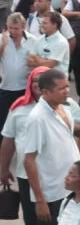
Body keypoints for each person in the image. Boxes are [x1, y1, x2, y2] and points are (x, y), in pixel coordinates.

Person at [23, 69, 80, 225]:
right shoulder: (37, 118)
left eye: (67, 86)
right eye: (61, 88)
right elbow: (29, 160)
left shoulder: (65, 107)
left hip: (71, 189)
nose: (67, 91)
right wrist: (40, 200)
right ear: (46, 92)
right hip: (52, 195)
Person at [0, 67, 48, 224]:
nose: (38, 84)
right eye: (35, 80)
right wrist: (3, 169)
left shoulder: (65, 106)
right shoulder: (18, 107)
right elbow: (8, 140)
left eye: (42, 80)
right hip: (26, 175)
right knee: (31, 218)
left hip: (55, 175)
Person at [0, 13, 37, 131]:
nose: (13, 31)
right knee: (3, 123)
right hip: (5, 88)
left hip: (25, 89)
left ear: (23, 26)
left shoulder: (33, 40)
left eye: (16, 28)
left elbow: (36, 61)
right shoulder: (1, 38)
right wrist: (3, 46)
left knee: (24, 122)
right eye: (10, 28)